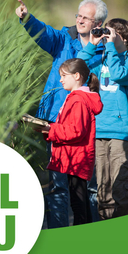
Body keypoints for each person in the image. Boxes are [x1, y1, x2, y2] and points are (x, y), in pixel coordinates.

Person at [16, 0, 108, 228]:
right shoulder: (64, 39)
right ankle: (58, 231)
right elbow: (44, 33)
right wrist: (27, 18)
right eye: (78, 15)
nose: (79, 20)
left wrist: (93, 47)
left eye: (85, 17)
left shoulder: (103, 52)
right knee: (57, 184)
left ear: (98, 22)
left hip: (85, 126)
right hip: (55, 120)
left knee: (87, 187)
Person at [77, 19, 128, 219]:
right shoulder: (103, 59)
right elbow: (77, 68)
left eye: (110, 34)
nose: (106, 37)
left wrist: (110, 48)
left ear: (123, 37)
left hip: (120, 131)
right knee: (103, 189)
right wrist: (92, 44)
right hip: (98, 129)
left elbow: (118, 74)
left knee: (121, 187)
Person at [41, 59, 103, 225]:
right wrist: (50, 129)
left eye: (63, 76)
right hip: (76, 157)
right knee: (80, 204)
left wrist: (51, 131)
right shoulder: (77, 98)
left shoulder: (78, 100)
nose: (60, 79)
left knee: (78, 205)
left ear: (76, 76)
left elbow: (76, 131)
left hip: (76, 159)